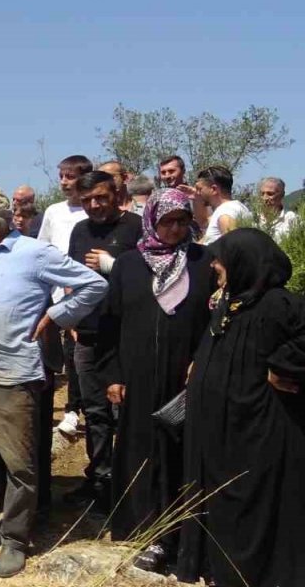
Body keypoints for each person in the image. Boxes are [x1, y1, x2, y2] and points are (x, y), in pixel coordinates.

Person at [0, 188, 106, 578]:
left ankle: (15, 539)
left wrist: (56, 314)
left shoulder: (33, 253)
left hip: (11, 373)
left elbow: (94, 285)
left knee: (20, 464)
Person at [176, 229, 305, 587]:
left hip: (258, 431)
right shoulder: (233, 301)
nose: (215, 265)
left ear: (245, 262)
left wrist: (282, 367)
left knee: (254, 502)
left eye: (221, 259)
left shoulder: (279, 303)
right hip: (221, 431)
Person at [99, 188, 213, 572]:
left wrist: (202, 362)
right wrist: (113, 375)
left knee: (179, 451)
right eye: (168, 221)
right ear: (152, 221)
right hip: (138, 378)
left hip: (186, 380)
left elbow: (215, 322)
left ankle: (178, 533)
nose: (176, 229)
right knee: (140, 451)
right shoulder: (130, 265)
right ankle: (144, 529)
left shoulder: (202, 262)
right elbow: (109, 324)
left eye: (183, 221)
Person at [61, 171, 142, 513]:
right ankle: (99, 479)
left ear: (116, 193)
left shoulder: (136, 227)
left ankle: (131, 483)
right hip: (88, 334)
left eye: (101, 197)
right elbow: (69, 273)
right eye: (88, 199)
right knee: (94, 413)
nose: (94, 205)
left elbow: (149, 273)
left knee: (127, 411)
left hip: (126, 335)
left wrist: (114, 266)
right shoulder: (80, 230)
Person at [37, 156, 92, 439]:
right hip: (53, 292)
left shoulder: (90, 212)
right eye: (61, 176)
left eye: (69, 176)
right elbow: (42, 249)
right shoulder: (53, 211)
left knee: (76, 352)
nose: (63, 182)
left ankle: (74, 408)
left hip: (82, 293)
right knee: (49, 350)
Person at [195, 165, 249, 244]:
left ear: (214, 189)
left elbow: (235, 247)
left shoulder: (225, 213)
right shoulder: (234, 208)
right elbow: (204, 223)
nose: (197, 193)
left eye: (200, 189)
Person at [257, 176, 298, 242]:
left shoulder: (293, 220)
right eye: (262, 194)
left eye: (270, 194)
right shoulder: (252, 219)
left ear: (282, 195)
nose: (265, 198)